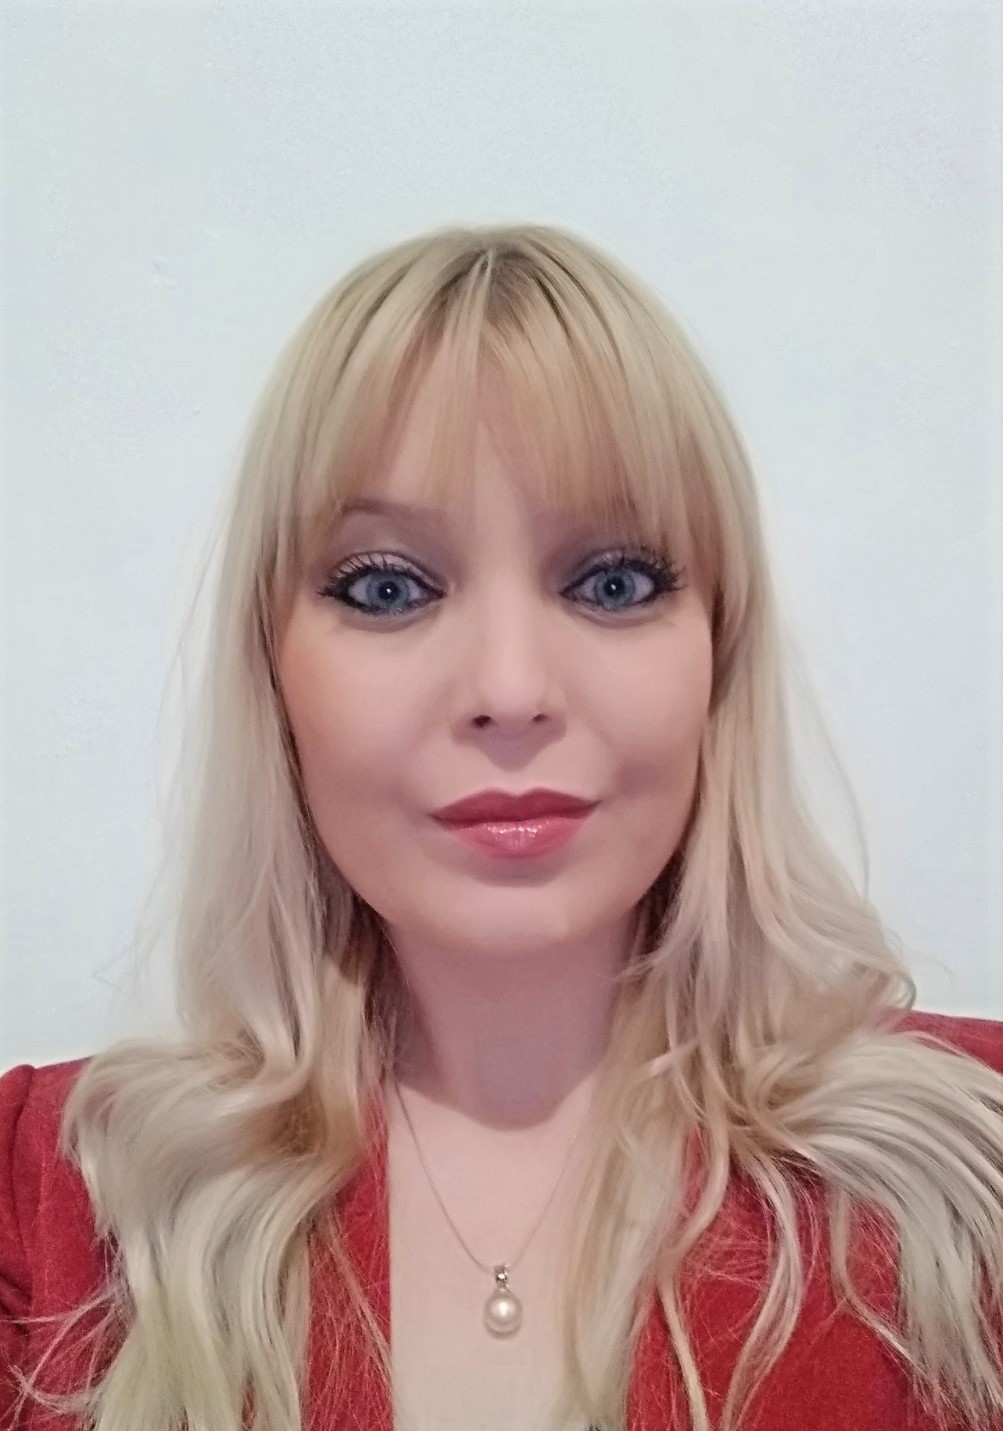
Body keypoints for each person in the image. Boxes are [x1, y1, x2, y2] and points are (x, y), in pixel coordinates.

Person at [1, 222, 1001, 1431]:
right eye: (387, 587)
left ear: (718, 655)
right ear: (272, 673)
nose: (512, 688)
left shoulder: (971, 1177)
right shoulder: (51, 1207)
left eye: (613, 581)